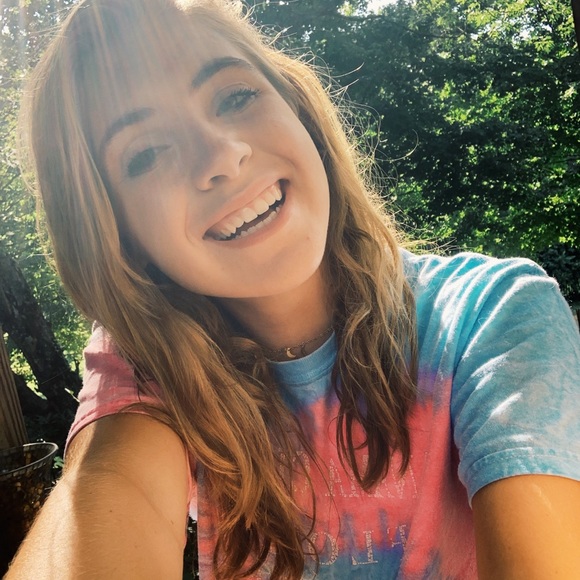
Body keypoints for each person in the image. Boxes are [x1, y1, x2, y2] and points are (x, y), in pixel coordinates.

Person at [8, 0, 580, 578]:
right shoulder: (150, 367)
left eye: (235, 97)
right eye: (148, 153)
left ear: (297, 108)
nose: (221, 155)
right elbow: (105, 491)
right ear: (115, 232)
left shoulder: (495, 317)